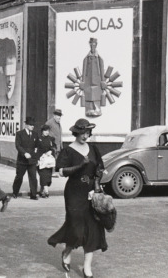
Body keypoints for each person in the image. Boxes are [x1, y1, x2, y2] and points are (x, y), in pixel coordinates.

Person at [48, 118, 107, 278]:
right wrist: (80, 166)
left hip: (91, 193)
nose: (85, 136)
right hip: (74, 193)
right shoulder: (68, 151)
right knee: (76, 227)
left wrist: (96, 184)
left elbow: (99, 168)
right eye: (82, 133)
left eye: (87, 133)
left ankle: (87, 268)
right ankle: (67, 252)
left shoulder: (93, 149)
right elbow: (60, 171)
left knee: (93, 229)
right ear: (76, 133)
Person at [12, 116, 39, 200]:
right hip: (22, 160)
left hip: (32, 160)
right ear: (26, 125)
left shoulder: (35, 134)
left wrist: (37, 157)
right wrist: (24, 153)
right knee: (19, 177)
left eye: (33, 125)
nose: (32, 126)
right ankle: (15, 192)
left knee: (33, 178)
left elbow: (37, 146)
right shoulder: (19, 134)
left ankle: (33, 194)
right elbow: (18, 145)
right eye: (31, 125)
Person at [80, 38, 106, 117]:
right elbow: (84, 71)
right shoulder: (86, 59)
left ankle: (97, 109)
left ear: (96, 45)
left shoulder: (99, 59)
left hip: (97, 81)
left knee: (97, 94)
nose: (92, 47)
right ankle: (89, 109)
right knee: (88, 94)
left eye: (94, 45)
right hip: (88, 81)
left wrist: (103, 81)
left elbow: (101, 70)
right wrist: (83, 82)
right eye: (91, 45)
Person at [36, 124, 57, 198]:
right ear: (42, 131)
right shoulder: (38, 138)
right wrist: (37, 159)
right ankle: (46, 191)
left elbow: (54, 147)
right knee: (43, 175)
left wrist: (51, 151)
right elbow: (36, 149)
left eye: (48, 131)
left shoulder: (51, 139)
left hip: (48, 161)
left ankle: (42, 191)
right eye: (45, 131)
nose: (47, 132)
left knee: (47, 176)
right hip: (41, 160)